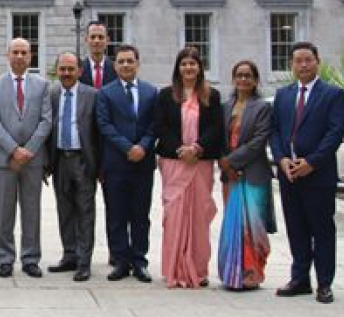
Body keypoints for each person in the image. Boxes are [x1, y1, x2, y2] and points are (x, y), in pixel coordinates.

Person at [269, 41, 344, 305]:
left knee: (322, 229)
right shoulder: (283, 95)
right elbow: (275, 131)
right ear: (292, 65)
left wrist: (311, 162)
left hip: (318, 174)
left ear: (317, 62)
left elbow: (335, 133)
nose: (303, 65)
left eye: (308, 60)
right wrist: (280, 160)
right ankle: (300, 278)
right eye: (298, 61)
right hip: (289, 174)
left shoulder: (333, 94)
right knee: (296, 228)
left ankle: (324, 283)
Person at [0, 37, 53, 278]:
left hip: (33, 159)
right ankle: (4, 258)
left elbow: (46, 120)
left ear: (30, 56)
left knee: (31, 210)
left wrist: (28, 150)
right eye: (16, 52)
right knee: (3, 210)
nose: (20, 56)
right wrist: (14, 149)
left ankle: (31, 258)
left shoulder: (42, 85)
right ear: (8, 55)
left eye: (24, 52)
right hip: (5, 158)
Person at [155, 45, 223, 289]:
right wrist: (180, 150)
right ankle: (175, 268)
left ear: (200, 67)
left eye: (193, 63)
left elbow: (216, 127)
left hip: (200, 163)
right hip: (174, 162)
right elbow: (161, 127)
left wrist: (197, 148)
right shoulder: (166, 95)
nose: (188, 68)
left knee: (199, 216)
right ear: (178, 68)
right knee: (174, 215)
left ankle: (198, 269)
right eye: (184, 64)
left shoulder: (211, 95)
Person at [96, 44, 158, 283]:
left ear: (137, 63)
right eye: (121, 61)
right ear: (115, 65)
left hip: (143, 164)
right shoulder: (105, 93)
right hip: (116, 164)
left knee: (141, 215)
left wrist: (142, 146)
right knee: (117, 215)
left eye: (130, 61)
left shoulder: (151, 92)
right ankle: (121, 261)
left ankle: (140, 260)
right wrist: (127, 148)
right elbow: (105, 126)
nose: (125, 65)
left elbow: (155, 124)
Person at [218, 59, 275, 291]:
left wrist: (231, 160)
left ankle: (252, 274)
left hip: (253, 173)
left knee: (253, 227)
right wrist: (225, 164)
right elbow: (219, 139)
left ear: (255, 80)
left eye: (248, 76)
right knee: (233, 226)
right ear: (233, 79)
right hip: (230, 176)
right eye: (239, 75)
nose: (243, 80)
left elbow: (258, 141)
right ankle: (232, 274)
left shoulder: (262, 108)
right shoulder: (225, 106)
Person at [47, 51, 102, 282]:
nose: (67, 73)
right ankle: (69, 255)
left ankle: (83, 261)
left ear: (80, 71)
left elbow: (100, 132)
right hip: (59, 159)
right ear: (57, 70)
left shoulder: (93, 95)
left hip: (83, 160)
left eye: (71, 69)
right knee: (64, 211)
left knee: (85, 212)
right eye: (63, 69)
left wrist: (100, 167)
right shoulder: (51, 94)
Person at [79, 21, 117, 90]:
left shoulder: (116, 69)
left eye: (101, 37)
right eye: (93, 37)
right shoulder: (78, 70)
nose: (96, 41)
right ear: (86, 40)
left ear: (107, 40)